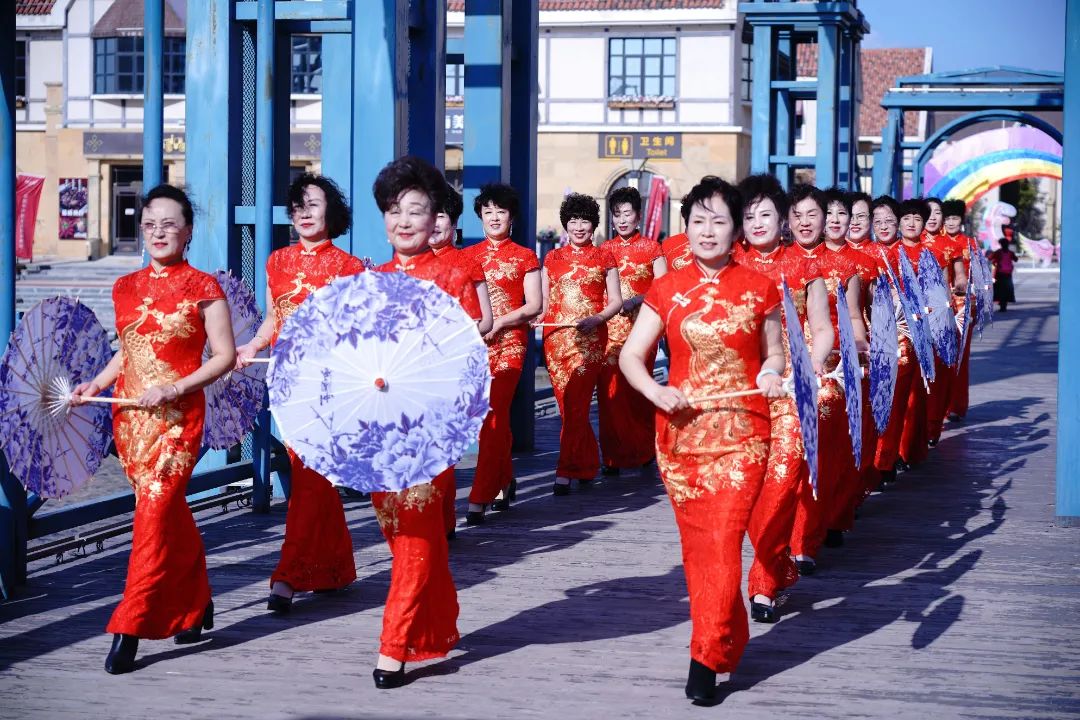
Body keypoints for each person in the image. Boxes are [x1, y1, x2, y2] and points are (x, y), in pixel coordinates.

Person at [619, 175, 785, 704]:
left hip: (743, 433)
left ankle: (705, 657)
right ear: (684, 227)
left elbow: (776, 352)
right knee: (701, 551)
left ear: (736, 229)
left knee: (723, 541)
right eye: (697, 221)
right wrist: (655, 391)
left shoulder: (760, 286)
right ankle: (725, 639)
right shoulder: (665, 288)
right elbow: (630, 356)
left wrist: (770, 373)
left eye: (719, 220)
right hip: (682, 435)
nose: (707, 230)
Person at [72, 184, 236, 674]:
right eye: (150, 224)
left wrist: (176, 388)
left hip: (178, 420)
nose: (159, 231)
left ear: (188, 231)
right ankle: (197, 600)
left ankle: (130, 624)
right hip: (131, 419)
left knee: (152, 516)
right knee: (162, 512)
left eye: (170, 223)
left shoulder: (204, 287)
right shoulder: (125, 287)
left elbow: (224, 357)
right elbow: (129, 348)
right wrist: (95, 383)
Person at [367, 156, 478, 688]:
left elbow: (465, 354)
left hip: (429, 430)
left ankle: (394, 645)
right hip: (378, 430)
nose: (404, 221)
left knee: (414, 532)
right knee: (406, 534)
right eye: (394, 210)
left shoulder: (453, 273)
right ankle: (434, 625)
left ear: (436, 217)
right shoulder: (370, 281)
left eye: (416, 210)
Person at [235, 173, 366, 614]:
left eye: (314, 205)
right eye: (298, 206)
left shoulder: (348, 267)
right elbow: (276, 317)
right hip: (286, 381)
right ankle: (334, 569)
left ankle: (287, 576)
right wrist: (253, 344)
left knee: (309, 476)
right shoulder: (278, 261)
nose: (305, 213)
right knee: (311, 477)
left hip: (327, 385)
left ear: (331, 212)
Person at [735, 174, 833, 623]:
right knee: (750, 494)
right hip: (742, 392)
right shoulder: (729, 266)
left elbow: (825, 327)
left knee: (778, 487)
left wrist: (812, 368)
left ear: (784, 220)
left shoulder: (805, 266)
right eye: (749, 215)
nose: (757, 222)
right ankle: (778, 568)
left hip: (792, 390)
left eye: (766, 214)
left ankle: (763, 584)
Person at [786, 184, 867, 576]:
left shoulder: (847, 266)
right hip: (780, 370)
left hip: (830, 368)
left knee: (823, 454)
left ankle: (807, 538)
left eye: (813, 215)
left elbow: (852, 317)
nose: (806, 222)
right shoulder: (776, 260)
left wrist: (859, 350)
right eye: (797, 215)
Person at [460, 183, 542, 525]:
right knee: (488, 420)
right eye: (488, 212)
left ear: (512, 217)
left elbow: (535, 305)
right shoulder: (467, 257)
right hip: (476, 344)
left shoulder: (525, 256)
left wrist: (499, 323)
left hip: (509, 343)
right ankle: (505, 480)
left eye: (501, 212)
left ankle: (479, 496)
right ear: (480, 216)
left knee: (494, 414)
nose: (494, 218)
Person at [536, 193, 623, 495]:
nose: (578, 226)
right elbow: (545, 300)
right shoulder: (552, 258)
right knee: (569, 408)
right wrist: (537, 317)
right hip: (555, 338)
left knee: (577, 402)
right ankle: (587, 463)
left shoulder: (604, 257)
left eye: (584, 220)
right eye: (573, 220)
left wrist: (598, 319)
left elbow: (616, 301)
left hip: (590, 339)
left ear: (593, 223)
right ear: (565, 224)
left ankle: (564, 471)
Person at [821, 188, 879, 543]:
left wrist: (861, 347)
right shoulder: (800, 260)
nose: (838, 221)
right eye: (831, 214)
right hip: (808, 359)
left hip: (850, 357)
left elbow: (865, 314)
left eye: (845, 214)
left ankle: (837, 516)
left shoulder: (862, 264)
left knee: (846, 437)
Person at [599, 186, 668, 475]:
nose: (623, 220)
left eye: (628, 214)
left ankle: (642, 451)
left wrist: (638, 299)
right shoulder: (604, 250)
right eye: (617, 215)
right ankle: (613, 456)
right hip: (610, 328)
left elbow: (663, 286)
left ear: (638, 217)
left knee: (637, 388)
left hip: (643, 326)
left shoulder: (652, 248)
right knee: (610, 391)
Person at [890, 198, 946, 470]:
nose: (912, 223)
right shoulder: (890, 253)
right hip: (895, 331)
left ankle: (908, 449)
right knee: (896, 391)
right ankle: (890, 451)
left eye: (917, 219)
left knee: (915, 392)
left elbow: (938, 294)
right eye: (907, 218)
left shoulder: (930, 254)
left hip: (922, 331)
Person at [870, 195, 915, 484]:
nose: (884, 226)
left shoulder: (910, 255)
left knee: (895, 398)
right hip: (870, 334)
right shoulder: (863, 253)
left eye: (889, 221)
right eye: (878, 221)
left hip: (901, 335)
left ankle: (885, 460)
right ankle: (871, 461)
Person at [920, 197, 968, 447]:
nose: (933, 217)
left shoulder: (950, 246)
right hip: (915, 319)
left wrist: (960, 287)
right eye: (927, 212)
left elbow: (960, 278)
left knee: (941, 373)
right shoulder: (908, 245)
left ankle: (933, 424)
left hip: (943, 316)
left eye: (937, 212)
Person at [430, 182, 495, 337]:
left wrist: (454, 338)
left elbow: (486, 320)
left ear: (454, 223)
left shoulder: (468, 264)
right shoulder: (407, 264)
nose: (433, 223)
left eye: (440, 216)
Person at [941, 199, 975, 420]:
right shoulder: (936, 243)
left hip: (964, 306)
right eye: (948, 218)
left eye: (955, 218)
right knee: (944, 357)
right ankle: (941, 405)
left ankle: (957, 404)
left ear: (961, 220)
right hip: (944, 306)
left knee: (960, 358)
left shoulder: (970, 244)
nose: (951, 222)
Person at [990, 237, 1018, 312]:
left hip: (999, 274)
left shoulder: (998, 252)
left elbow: (990, 258)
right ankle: (1004, 305)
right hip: (1008, 274)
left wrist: (995, 261)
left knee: (999, 289)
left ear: (1001, 245)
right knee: (1007, 289)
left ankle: (1002, 304)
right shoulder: (1010, 252)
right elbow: (1016, 259)